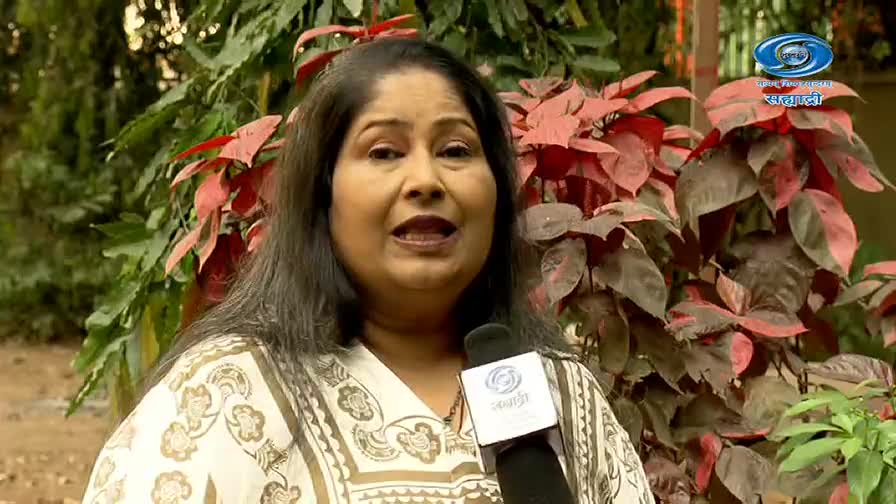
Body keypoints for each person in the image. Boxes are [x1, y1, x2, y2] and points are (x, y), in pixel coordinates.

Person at [81, 37, 654, 504]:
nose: (426, 180)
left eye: (456, 150)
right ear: (322, 195)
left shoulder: (563, 394)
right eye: (384, 152)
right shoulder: (226, 395)